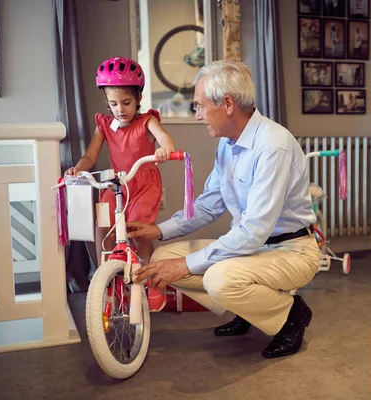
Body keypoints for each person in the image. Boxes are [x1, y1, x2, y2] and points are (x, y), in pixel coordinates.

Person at [127, 60, 319, 359]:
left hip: (291, 250)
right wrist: (160, 230)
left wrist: (188, 264)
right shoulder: (228, 145)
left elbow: (254, 230)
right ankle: (252, 309)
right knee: (165, 257)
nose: (198, 114)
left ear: (228, 103)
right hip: (253, 249)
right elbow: (209, 204)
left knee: (217, 278)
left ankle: (291, 314)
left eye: (200, 106)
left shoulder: (272, 145)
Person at [65, 56, 175, 312]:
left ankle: (151, 280)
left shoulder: (146, 120)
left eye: (126, 102)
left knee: (138, 231)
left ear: (138, 98)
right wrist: (79, 168)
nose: (120, 109)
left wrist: (165, 149)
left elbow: (164, 138)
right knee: (103, 226)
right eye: (113, 103)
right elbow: (91, 155)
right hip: (117, 185)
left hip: (143, 184)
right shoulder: (104, 124)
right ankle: (106, 273)